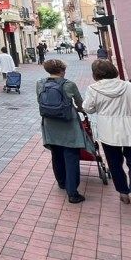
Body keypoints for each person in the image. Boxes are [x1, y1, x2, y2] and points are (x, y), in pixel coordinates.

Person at [82, 60, 131, 216]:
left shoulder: (93, 89)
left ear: (95, 74)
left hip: (108, 131)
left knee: (114, 163)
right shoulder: (129, 86)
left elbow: (88, 108)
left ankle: (123, 191)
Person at [38, 58, 93, 203]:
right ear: (62, 70)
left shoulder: (40, 83)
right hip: (68, 123)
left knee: (56, 154)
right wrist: (82, 110)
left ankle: (61, 182)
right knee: (71, 155)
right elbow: (81, 104)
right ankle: (72, 192)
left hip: (50, 123)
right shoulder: (69, 84)